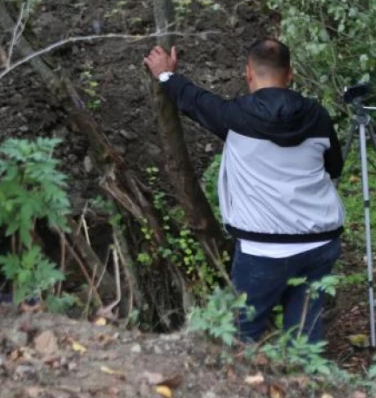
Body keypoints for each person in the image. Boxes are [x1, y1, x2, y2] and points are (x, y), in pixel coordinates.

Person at [143, 39, 345, 344]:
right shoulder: (318, 117)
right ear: (290, 74)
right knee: (305, 333)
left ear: (248, 73)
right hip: (320, 243)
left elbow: (194, 100)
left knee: (242, 334)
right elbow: (335, 168)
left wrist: (165, 75)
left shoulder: (235, 118)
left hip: (263, 250)